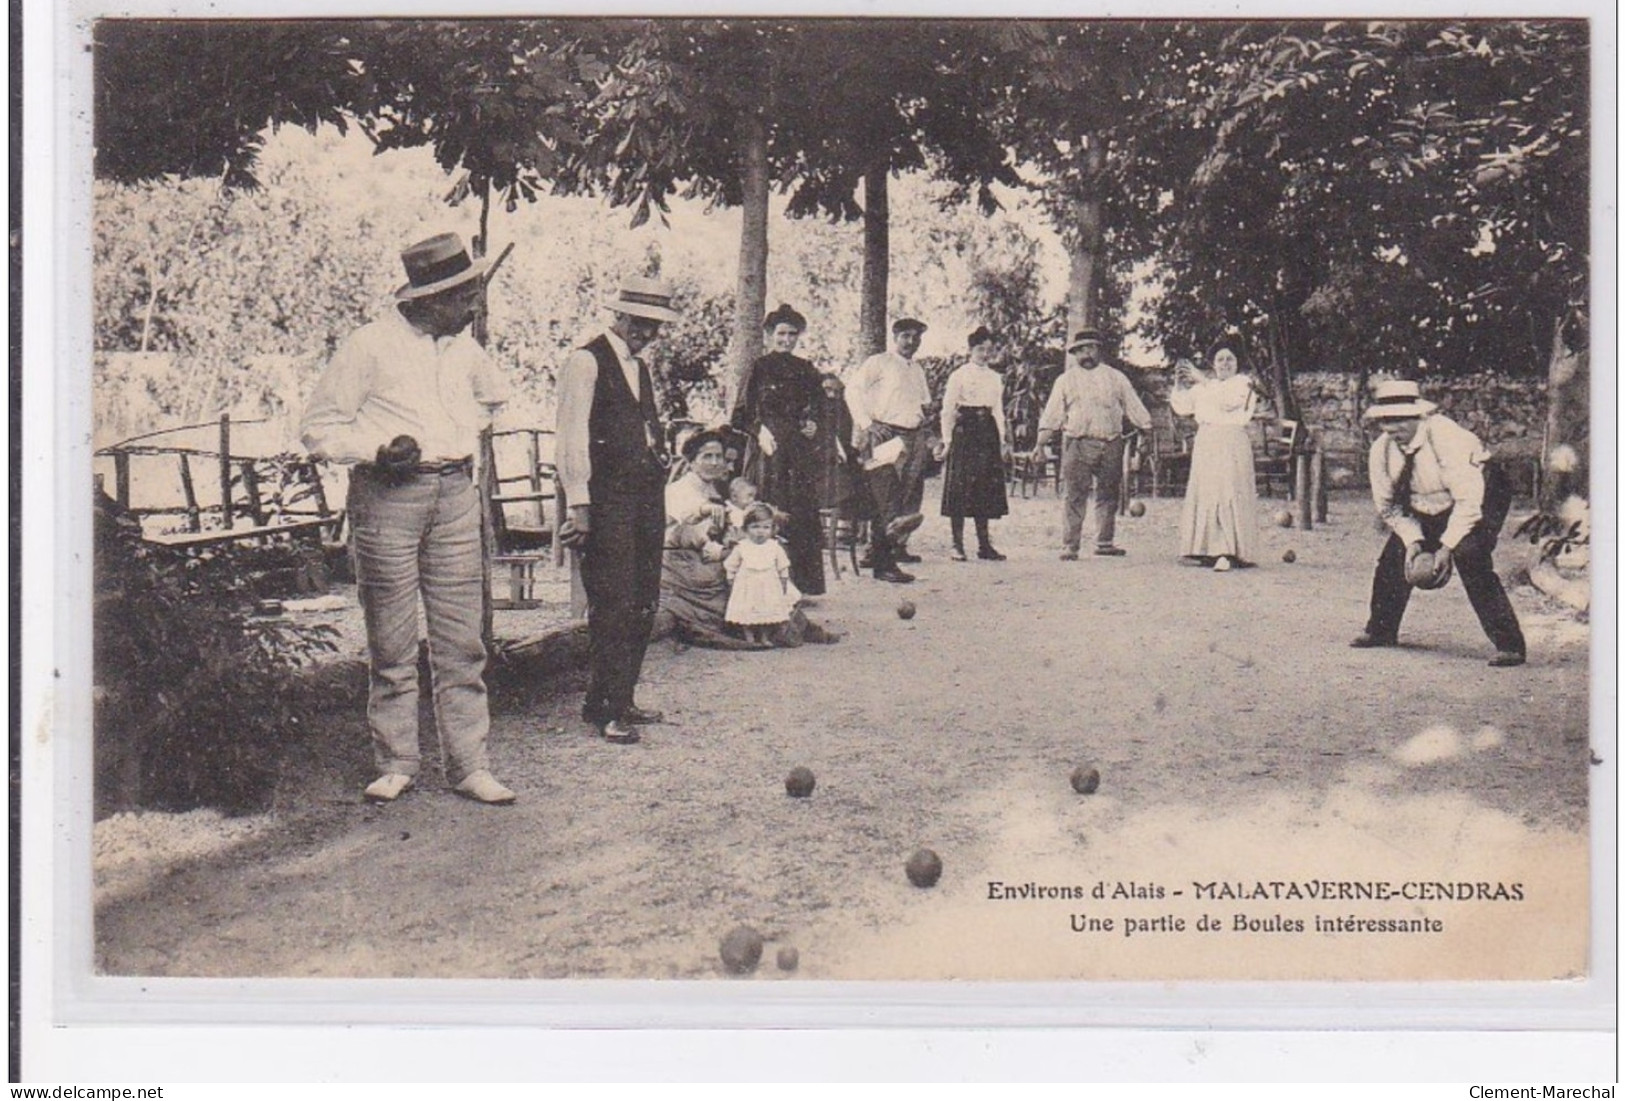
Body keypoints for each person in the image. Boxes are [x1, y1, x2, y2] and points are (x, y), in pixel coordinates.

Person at [300, 232, 515, 805]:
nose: (472, 308)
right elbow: (319, 427)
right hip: (388, 497)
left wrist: (458, 435)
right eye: (462, 297)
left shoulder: (464, 348)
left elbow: (495, 400)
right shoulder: (369, 347)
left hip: (454, 494)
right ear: (425, 299)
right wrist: (378, 450)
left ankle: (469, 765)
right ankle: (396, 761)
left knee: (461, 638)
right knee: (391, 637)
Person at [555, 275, 682, 745]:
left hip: (646, 495)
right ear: (620, 315)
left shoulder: (640, 368)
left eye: (656, 326)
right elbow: (570, 438)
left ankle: (621, 696)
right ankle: (604, 708)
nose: (648, 333)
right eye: (642, 323)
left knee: (644, 597)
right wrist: (579, 506)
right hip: (606, 499)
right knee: (613, 600)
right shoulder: (585, 362)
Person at [1351, 379, 1527, 667]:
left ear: (1418, 416)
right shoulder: (1381, 452)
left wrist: (1445, 547)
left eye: (1400, 420)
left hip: (1481, 496)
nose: (1393, 429)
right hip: (1423, 503)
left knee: (1469, 555)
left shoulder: (1447, 438)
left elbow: (1469, 503)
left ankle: (1510, 645)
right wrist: (1413, 541)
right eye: (1386, 421)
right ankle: (1381, 629)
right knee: (1392, 559)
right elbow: (1389, 508)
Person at [658, 429, 838, 649]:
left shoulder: (713, 488)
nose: (715, 463)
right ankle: (777, 626)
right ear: (691, 461)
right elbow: (684, 521)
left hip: (706, 558)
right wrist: (705, 512)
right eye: (707, 457)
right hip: (682, 565)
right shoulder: (678, 490)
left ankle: (788, 624)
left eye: (719, 457)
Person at [731, 304, 827, 595]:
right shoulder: (759, 368)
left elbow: (822, 408)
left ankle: (796, 586)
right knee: (768, 510)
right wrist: (759, 430)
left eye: (792, 334)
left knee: (799, 512)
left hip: (797, 452)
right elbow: (740, 414)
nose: (787, 339)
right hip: (767, 451)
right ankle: (762, 585)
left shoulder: (806, 369)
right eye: (781, 333)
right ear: (771, 334)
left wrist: (813, 424)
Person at [1035, 328, 1153, 559]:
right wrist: (1040, 443)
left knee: (1108, 494)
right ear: (1074, 354)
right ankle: (1070, 545)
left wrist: (1146, 430)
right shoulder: (1066, 380)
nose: (1085, 354)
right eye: (1079, 350)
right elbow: (1052, 415)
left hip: (1111, 442)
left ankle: (1104, 542)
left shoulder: (1116, 378)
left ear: (1098, 349)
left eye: (1089, 348)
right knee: (1074, 495)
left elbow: (1134, 406)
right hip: (1078, 443)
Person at [845, 317, 932, 581]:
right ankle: (884, 563)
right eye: (906, 336)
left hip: (912, 435)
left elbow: (923, 402)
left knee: (907, 494)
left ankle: (887, 549)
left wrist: (924, 424)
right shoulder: (879, 362)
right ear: (895, 337)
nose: (911, 341)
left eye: (916, 337)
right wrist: (867, 424)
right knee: (885, 496)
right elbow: (852, 390)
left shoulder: (917, 369)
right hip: (886, 434)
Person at [1169, 338, 1262, 570]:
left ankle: (1229, 551)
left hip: (1231, 441)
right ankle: (1205, 549)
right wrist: (1179, 385)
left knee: (1228, 492)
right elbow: (1182, 407)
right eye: (1220, 359)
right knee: (1208, 493)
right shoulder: (1204, 387)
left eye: (1230, 359)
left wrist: (1201, 378)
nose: (1225, 363)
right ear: (1213, 364)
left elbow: (1229, 403)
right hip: (1207, 443)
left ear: (1237, 363)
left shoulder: (1243, 384)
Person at [936, 325, 1010, 561]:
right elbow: (947, 410)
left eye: (989, 349)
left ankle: (984, 545)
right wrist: (947, 441)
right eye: (980, 349)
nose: (985, 354)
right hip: (965, 432)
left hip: (987, 432)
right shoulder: (959, 375)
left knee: (985, 488)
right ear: (971, 350)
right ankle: (957, 545)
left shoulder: (995, 378)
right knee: (960, 488)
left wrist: (1002, 440)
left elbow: (998, 410)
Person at [724, 502, 801, 646]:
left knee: (767, 610)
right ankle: (749, 637)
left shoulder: (774, 547)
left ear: (772, 529)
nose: (761, 532)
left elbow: (783, 566)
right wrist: (730, 578)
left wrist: (784, 580)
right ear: (746, 529)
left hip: (768, 585)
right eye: (755, 527)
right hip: (747, 586)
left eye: (766, 527)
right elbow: (731, 564)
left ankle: (765, 637)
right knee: (747, 610)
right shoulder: (743, 546)